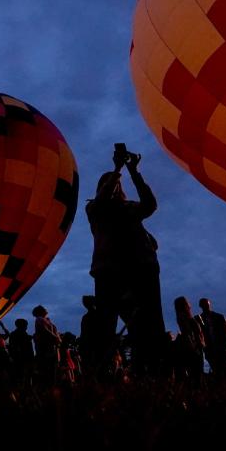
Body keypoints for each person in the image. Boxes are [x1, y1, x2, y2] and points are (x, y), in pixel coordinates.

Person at [85, 144, 166, 369]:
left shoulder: (130, 208)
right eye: (110, 184)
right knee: (106, 323)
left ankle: (152, 369)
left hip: (141, 268)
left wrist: (133, 171)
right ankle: (105, 370)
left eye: (118, 184)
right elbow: (101, 202)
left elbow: (150, 204)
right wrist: (118, 168)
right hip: (109, 270)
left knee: (149, 323)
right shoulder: (95, 209)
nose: (115, 186)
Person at [197, 298, 226, 376]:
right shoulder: (199, 319)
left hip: (221, 349)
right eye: (204, 305)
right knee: (219, 371)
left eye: (206, 304)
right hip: (210, 349)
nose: (206, 306)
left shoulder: (219, 317)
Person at [172, 296, 204, 383]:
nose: (189, 303)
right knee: (197, 371)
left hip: (195, 345)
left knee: (196, 372)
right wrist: (194, 346)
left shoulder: (183, 316)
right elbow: (188, 332)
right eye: (187, 302)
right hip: (194, 346)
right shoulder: (184, 316)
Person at [32, 305, 61, 382]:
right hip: (46, 349)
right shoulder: (39, 319)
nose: (46, 309)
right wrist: (56, 338)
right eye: (44, 308)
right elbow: (46, 331)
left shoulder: (46, 320)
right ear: (41, 311)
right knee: (49, 371)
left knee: (51, 370)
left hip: (50, 348)